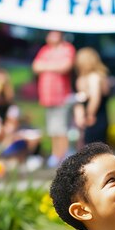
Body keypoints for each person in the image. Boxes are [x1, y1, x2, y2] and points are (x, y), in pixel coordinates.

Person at [0, 52, 42, 164]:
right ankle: (1, 151)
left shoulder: (2, 76)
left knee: (13, 124)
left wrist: (4, 83)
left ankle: (5, 150)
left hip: (4, 111)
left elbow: (10, 97)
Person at [32, 31, 75, 168]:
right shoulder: (45, 50)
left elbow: (65, 67)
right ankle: (55, 155)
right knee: (53, 129)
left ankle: (63, 157)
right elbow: (35, 66)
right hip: (47, 97)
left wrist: (46, 66)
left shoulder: (67, 49)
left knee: (62, 128)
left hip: (62, 96)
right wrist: (53, 66)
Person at [73, 47, 111, 146]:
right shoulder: (85, 77)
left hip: (95, 117)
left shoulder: (94, 77)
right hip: (89, 117)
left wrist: (90, 114)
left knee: (93, 148)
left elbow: (95, 98)